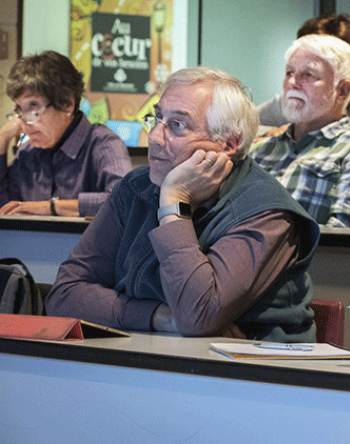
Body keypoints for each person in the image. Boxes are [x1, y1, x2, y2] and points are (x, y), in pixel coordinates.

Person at [46, 67, 321, 341]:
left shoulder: (267, 211)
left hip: (255, 364)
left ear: (230, 142)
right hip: (151, 355)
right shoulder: (134, 189)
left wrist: (174, 202)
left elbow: (197, 315)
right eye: (157, 118)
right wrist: (158, 317)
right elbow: (63, 295)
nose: (155, 137)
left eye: (178, 125)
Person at [251, 35, 350, 227]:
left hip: (309, 247)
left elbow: (346, 233)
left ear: (342, 91)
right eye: (289, 72)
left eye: (308, 75)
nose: (292, 82)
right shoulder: (259, 151)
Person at [0, 50, 131, 217]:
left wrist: (51, 207)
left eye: (33, 107)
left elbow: (126, 201)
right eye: (19, 109)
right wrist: (2, 139)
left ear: (67, 104)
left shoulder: (103, 143)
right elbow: (6, 209)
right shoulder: (27, 152)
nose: (24, 121)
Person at [257, 14, 350, 145]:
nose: (294, 82)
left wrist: (304, 132)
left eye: (309, 74)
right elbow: (245, 123)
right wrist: (278, 133)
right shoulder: (296, 96)